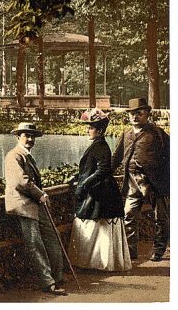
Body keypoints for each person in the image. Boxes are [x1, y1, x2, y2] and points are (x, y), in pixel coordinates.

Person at [4, 122, 66, 295]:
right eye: (26, 135)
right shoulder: (13, 156)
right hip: (22, 204)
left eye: (32, 136)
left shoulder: (27, 156)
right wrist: (40, 195)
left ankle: (58, 275)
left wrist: (40, 196)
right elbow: (21, 182)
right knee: (35, 243)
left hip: (34, 203)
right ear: (18, 137)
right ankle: (48, 283)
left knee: (52, 235)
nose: (30, 139)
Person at [67, 108, 131, 271]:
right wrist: (76, 177)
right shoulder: (97, 145)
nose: (88, 130)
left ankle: (99, 264)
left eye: (91, 128)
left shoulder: (100, 146)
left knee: (96, 225)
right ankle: (96, 263)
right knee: (95, 227)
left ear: (100, 130)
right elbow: (90, 168)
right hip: (100, 189)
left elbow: (103, 170)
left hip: (100, 192)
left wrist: (83, 184)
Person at [111, 97, 170, 262]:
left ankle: (158, 251)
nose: (135, 117)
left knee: (161, 217)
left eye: (139, 113)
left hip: (155, 182)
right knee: (128, 214)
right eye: (132, 114)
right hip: (132, 182)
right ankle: (131, 251)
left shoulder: (157, 134)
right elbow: (115, 159)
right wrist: (104, 173)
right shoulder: (126, 134)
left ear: (147, 114)